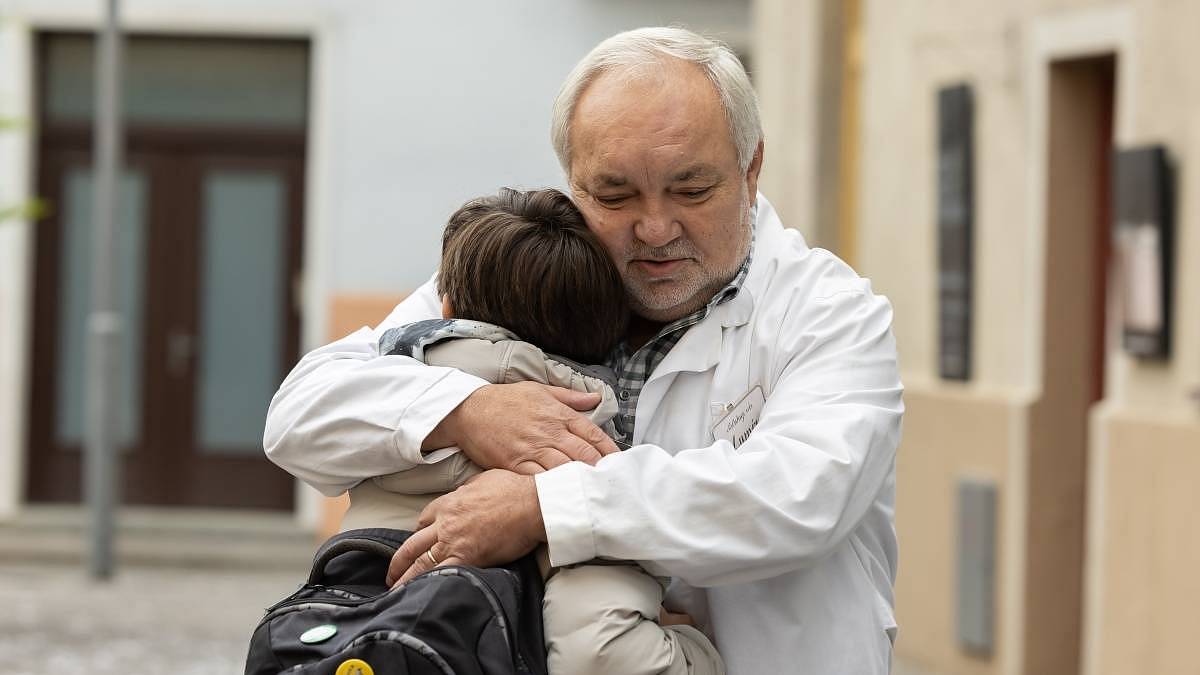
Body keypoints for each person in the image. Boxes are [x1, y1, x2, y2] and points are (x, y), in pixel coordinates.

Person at [265, 26, 903, 674]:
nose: (655, 229)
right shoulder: (528, 278)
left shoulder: (830, 313)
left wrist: (546, 507)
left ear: (751, 168)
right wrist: (467, 411)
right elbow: (301, 412)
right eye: (615, 194)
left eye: (691, 189)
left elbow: (798, 495)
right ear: (573, 181)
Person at [333, 187, 724, 675]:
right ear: (613, 339)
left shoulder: (386, 393)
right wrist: (696, 649)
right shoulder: (586, 454)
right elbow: (601, 653)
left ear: (448, 311)